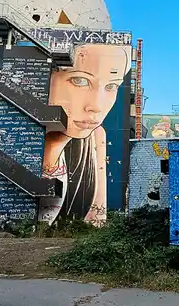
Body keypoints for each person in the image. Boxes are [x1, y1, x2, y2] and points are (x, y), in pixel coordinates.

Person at [39, 43, 132, 226]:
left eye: (111, 86)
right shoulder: (25, 136)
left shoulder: (96, 136)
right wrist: (52, 150)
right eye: (79, 81)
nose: (96, 106)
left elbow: (96, 219)